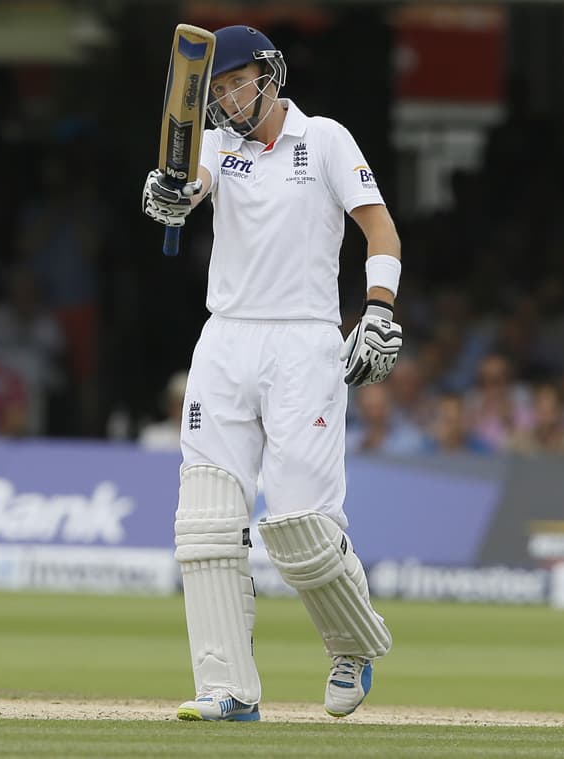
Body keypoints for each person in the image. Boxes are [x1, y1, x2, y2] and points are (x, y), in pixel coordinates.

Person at [142, 25, 402, 722]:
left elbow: (380, 228)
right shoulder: (215, 143)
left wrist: (376, 311)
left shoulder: (324, 140)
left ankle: (353, 644)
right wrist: (167, 193)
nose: (228, 98)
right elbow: (184, 184)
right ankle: (228, 688)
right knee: (205, 522)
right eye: (217, 88)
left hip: (304, 342)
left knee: (297, 526)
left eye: (238, 82)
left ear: (270, 74)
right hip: (225, 340)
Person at [138, 371, 188, 451]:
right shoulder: (153, 436)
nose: (183, 410)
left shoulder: (204, 440)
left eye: (187, 405)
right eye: (180, 403)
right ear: (170, 404)